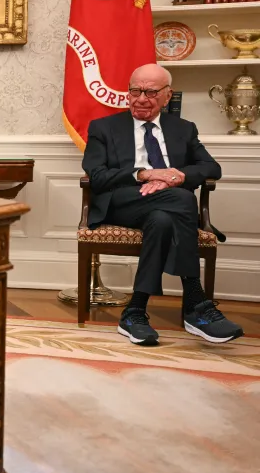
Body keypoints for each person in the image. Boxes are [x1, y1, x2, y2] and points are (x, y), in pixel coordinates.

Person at [82, 63, 242, 346]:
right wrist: (144, 174)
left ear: (168, 96)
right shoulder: (103, 127)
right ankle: (195, 301)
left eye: (151, 92)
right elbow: (97, 175)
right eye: (135, 90)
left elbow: (211, 167)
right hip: (122, 202)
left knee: (163, 219)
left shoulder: (183, 128)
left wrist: (177, 176)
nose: (141, 98)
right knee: (182, 199)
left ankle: (135, 312)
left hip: (166, 206)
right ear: (128, 92)